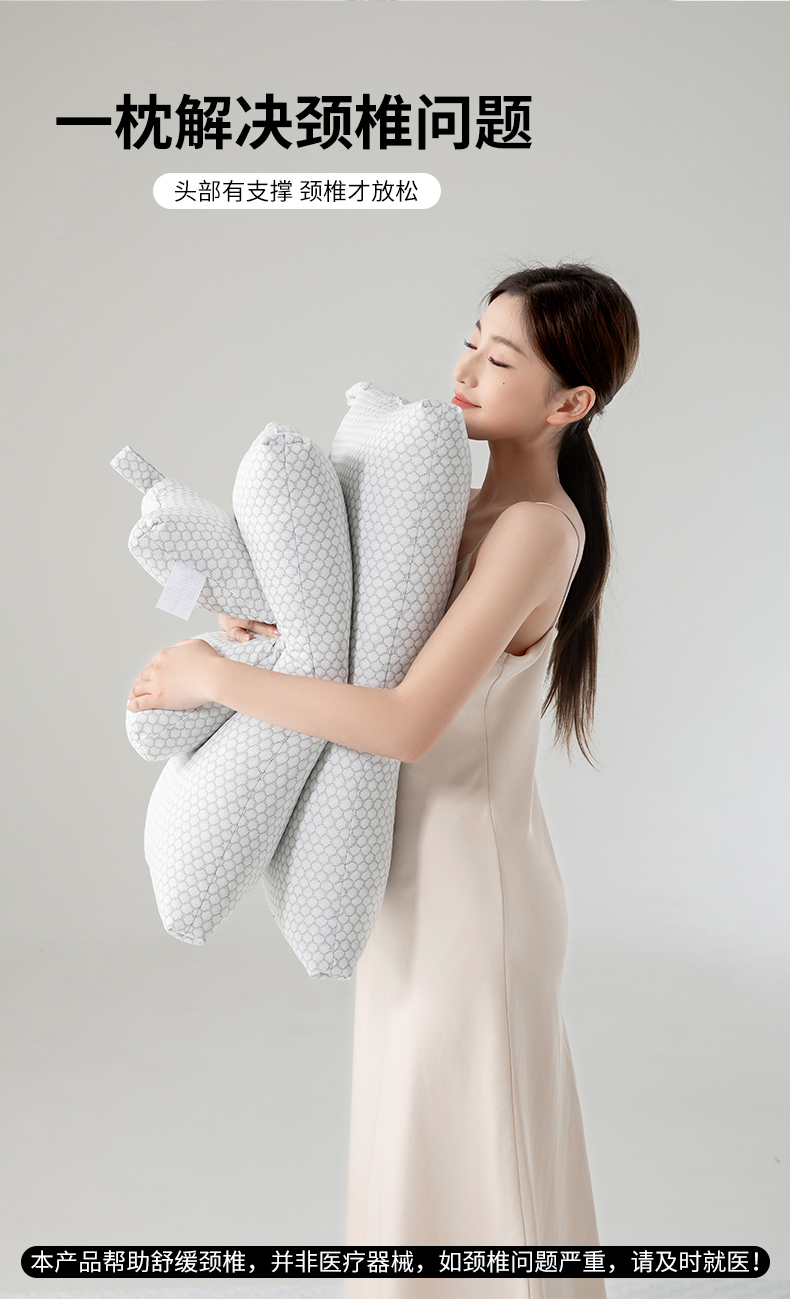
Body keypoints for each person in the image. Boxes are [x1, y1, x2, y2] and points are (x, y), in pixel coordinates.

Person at [127, 263, 640, 1300]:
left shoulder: (536, 531)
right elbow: (344, 647)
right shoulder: (444, 506)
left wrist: (213, 678)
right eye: (472, 340)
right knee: (419, 1156)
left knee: (486, 1164)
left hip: (473, 893)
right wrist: (238, 619)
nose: (466, 370)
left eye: (501, 359)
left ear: (569, 403)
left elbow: (404, 723)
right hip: (401, 877)